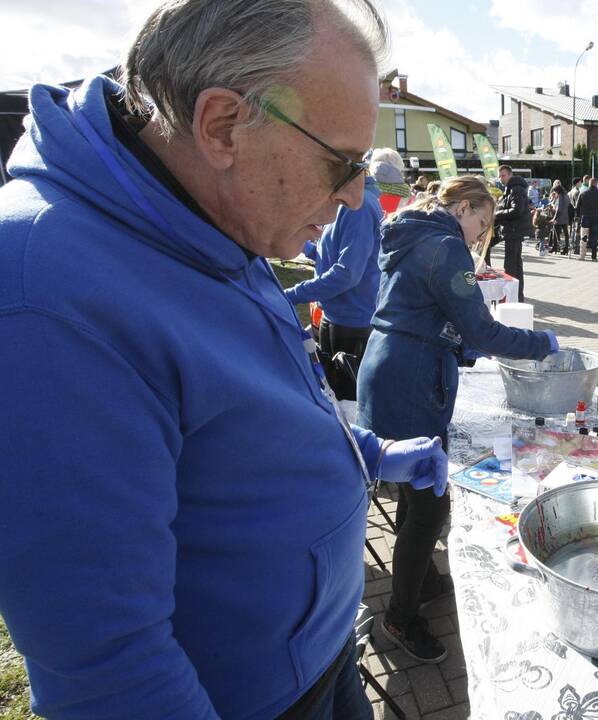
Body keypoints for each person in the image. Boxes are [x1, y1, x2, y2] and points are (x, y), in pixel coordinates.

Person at [0, 2, 452, 718]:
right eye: (341, 161)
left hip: (325, 657)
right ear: (221, 126)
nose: (356, 194)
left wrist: (366, 452)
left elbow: (250, 424)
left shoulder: (204, 211)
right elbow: (110, 668)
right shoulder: (42, 290)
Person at [357, 175, 558, 663]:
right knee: (429, 503)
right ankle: (400, 618)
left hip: (389, 370)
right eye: (482, 224)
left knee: (414, 484)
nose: (480, 235)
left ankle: (420, 575)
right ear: (464, 208)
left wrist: (460, 343)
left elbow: (425, 312)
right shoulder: (445, 246)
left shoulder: (414, 233)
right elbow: (482, 329)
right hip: (410, 381)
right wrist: (540, 344)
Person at [285, 149, 400, 400]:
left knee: (347, 403)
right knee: (334, 397)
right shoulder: (347, 203)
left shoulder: (358, 206)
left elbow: (347, 274)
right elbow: (332, 257)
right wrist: (302, 244)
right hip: (338, 316)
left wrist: (292, 295)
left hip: (353, 322)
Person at [493, 164, 529, 300]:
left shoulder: (516, 189)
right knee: (515, 266)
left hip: (514, 232)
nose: (500, 179)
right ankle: (517, 296)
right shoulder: (512, 189)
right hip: (512, 232)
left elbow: (516, 210)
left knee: (511, 266)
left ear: (510, 175)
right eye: (499, 176)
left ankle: (513, 297)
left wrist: (497, 214)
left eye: (503, 175)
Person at [576, 176, 598, 261]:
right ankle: (594, 256)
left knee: (584, 236)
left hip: (585, 217)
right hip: (595, 217)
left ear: (589, 183)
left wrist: (577, 216)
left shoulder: (583, 193)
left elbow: (577, 207)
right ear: (595, 183)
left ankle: (582, 255)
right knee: (594, 237)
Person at [551, 178, 571, 254]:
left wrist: (554, 218)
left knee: (556, 233)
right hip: (565, 217)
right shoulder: (566, 195)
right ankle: (566, 248)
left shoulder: (560, 197)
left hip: (559, 218)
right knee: (566, 234)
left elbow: (558, 209)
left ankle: (555, 247)